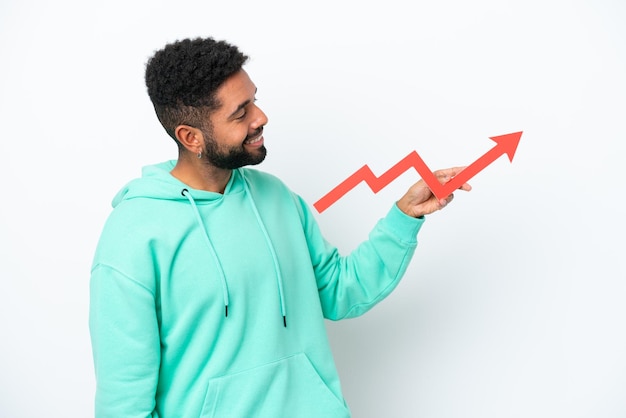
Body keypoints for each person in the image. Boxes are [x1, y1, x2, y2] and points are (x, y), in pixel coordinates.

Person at [89, 37, 471, 418]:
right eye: (240, 113)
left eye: (254, 100)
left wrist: (405, 216)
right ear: (191, 137)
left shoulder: (276, 199)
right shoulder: (134, 238)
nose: (260, 117)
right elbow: (124, 405)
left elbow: (339, 291)